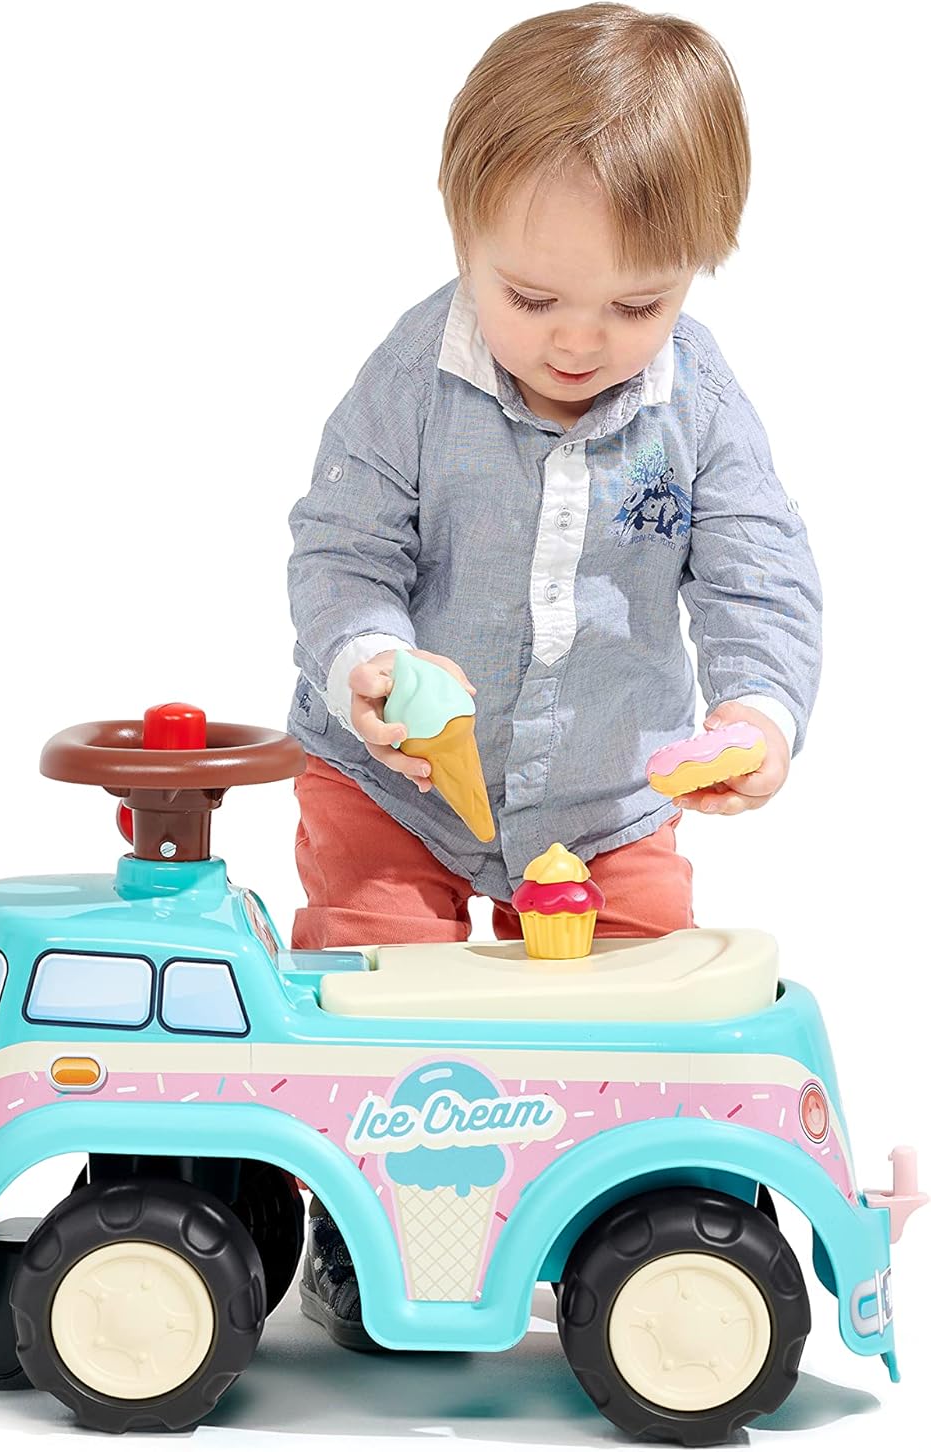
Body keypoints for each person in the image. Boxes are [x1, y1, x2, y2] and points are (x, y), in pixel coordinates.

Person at [284, 3, 822, 1347]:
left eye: (639, 304)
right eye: (531, 299)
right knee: (374, 999)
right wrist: (366, 660)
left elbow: (757, 565)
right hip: (396, 785)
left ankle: (618, 1214)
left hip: (605, 801)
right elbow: (342, 547)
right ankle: (360, 1226)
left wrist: (757, 710)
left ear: (697, 270)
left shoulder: (698, 400)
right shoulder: (411, 379)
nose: (581, 342)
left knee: (641, 1014)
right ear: (463, 238)